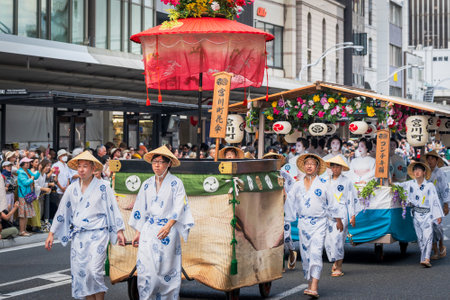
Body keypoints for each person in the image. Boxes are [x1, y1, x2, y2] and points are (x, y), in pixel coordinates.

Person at [45, 151, 126, 300]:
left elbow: (113, 208)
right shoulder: (72, 189)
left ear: (93, 168)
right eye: (79, 166)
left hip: (98, 234)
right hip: (79, 237)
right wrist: (52, 233)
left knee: (94, 271)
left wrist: (119, 230)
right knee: (82, 274)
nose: (81, 170)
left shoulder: (104, 187)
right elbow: (62, 210)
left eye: (85, 166)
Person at [128, 145, 194, 299]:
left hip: (167, 232)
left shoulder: (176, 184)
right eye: (154, 162)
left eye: (160, 162)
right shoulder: (146, 184)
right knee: (146, 271)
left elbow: (180, 206)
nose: (156, 165)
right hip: (148, 230)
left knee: (166, 272)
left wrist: (169, 225)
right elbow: (140, 209)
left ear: (169, 163)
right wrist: (138, 232)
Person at [284, 153, 343, 298]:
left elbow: (332, 203)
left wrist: (338, 220)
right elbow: (290, 202)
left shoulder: (324, 184)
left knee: (316, 252)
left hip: (319, 222)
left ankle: (314, 286)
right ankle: (310, 282)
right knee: (306, 255)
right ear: (303, 167)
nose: (309, 166)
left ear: (317, 167)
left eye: (312, 163)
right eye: (307, 163)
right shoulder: (297, 185)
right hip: (303, 223)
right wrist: (286, 219)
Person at [399, 161, 443, 267]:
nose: (417, 172)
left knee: (428, 236)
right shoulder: (410, 184)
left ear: (424, 172)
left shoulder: (429, 186)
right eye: (415, 170)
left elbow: (435, 201)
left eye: (419, 170)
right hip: (416, 214)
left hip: (428, 214)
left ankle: (427, 259)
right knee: (420, 238)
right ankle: (423, 258)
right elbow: (399, 186)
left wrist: (437, 215)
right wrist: (390, 182)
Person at [324, 155, 358, 277]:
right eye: (333, 166)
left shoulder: (347, 181)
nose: (335, 169)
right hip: (328, 215)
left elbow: (351, 199)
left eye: (337, 166)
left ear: (342, 168)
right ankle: (335, 260)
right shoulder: (326, 181)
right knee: (328, 242)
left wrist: (352, 215)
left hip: (342, 212)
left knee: (338, 240)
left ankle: (339, 266)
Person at [263, 152, 297, 269]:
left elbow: (293, 190)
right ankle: (278, 262)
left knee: (285, 235)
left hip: (283, 207)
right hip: (269, 209)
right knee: (273, 235)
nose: (271, 162)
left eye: (274, 160)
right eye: (269, 160)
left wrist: (286, 195)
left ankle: (292, 251)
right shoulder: (263, 176)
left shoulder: (285, 176)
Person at [425, 150, 449, 259]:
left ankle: (441, 245)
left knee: (437, 226)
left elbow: (445, 189)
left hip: (438, 203)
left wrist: (446, 204)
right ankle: (434, 250)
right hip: (427, 203)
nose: (430, 161)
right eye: (428, 159)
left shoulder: (441, 173)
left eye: (432, 159)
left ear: (436, 160)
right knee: (430, 227)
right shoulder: (426, 173)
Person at [17, 157, 40, 236]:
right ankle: (21, 231)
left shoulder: (28, 171)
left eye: (28, 162)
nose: (28, 164)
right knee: (22, 215)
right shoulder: (20, 172)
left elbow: (35, 176)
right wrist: (32, 178)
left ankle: (24, 230)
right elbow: (26, 183)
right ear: (22, 164)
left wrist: (39, 171)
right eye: (26, 163)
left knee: (26, 214)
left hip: (28, 195)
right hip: (23, 196)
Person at [51, 149, 73, 219]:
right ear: (59, 157)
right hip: (58, 190)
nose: (65, 157)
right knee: (59, 207)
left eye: (66, 155)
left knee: (66, 207)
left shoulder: (66, 165)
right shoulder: (56, 165)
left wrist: (67, 186)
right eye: (63, 155)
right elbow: (55, 179)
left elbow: (68, 177)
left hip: (66, 190)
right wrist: (61, 188)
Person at [28, 157, 42, 232]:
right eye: (36, 162)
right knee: (34, 210)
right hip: (32, 192)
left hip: (34, 193)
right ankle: (35, 226)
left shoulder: (35, 170)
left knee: (35, 209)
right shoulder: (32, 171)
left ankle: (32, 225)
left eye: (38, 162)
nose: (37, 163)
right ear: (31, 163)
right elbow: (33, 181)